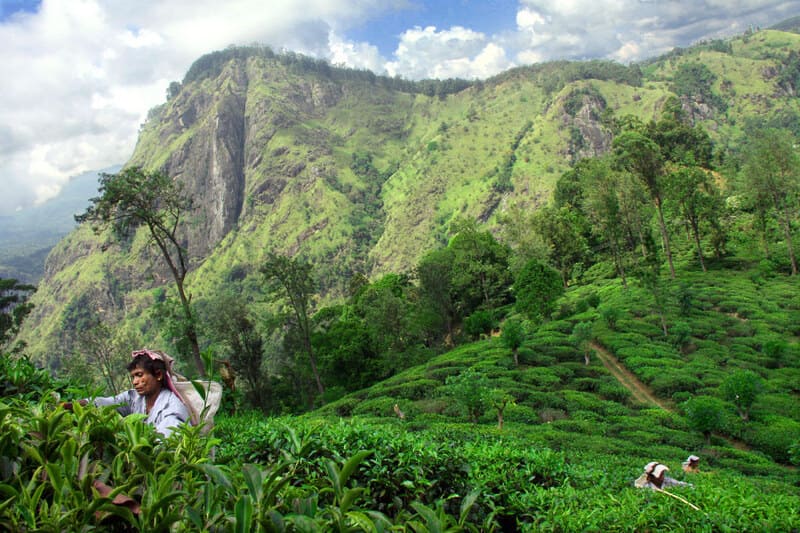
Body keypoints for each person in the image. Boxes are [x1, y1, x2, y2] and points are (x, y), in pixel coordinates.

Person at [65, 349, 190, 438]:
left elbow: (166, 440)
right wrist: (73, 406)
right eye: (133, 377)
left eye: (139, 375)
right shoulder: (136, 398)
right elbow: (110, 403)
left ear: (158, 375)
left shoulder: (172, 408)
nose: (135, 382)